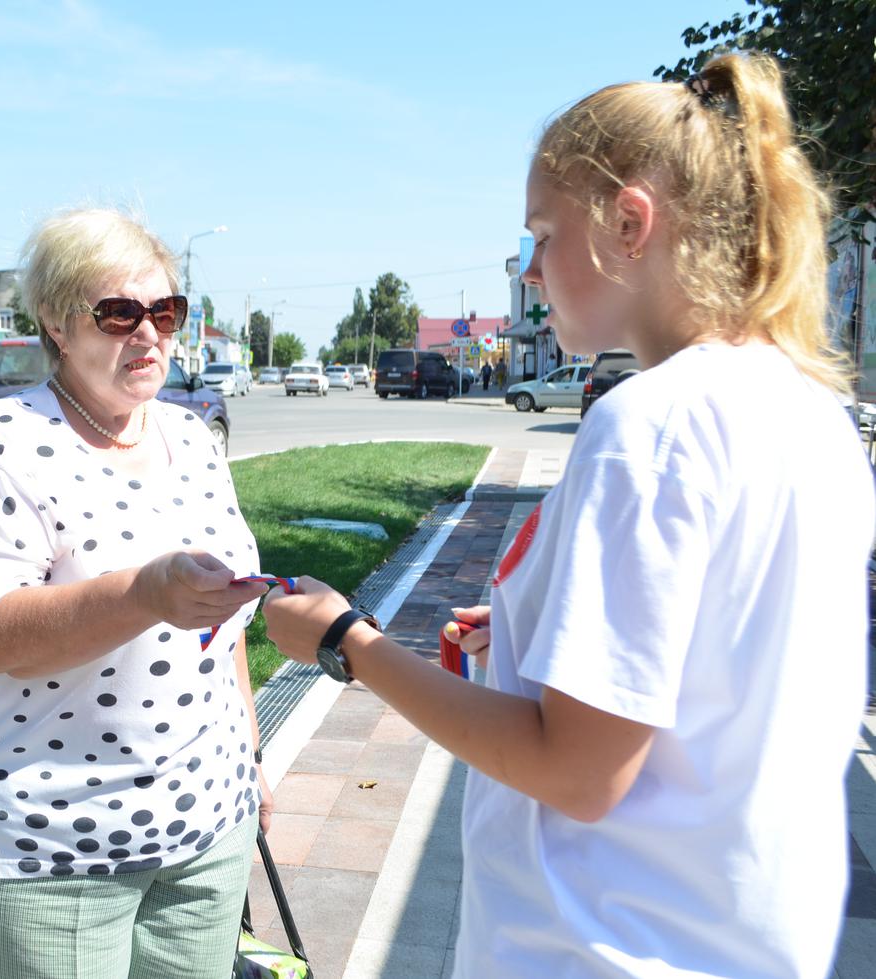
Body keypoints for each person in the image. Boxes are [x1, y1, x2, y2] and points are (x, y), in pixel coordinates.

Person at [262, 53, 873, 978]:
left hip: (599, 948)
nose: (532, 270)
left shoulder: (648, 427)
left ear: (630, 223)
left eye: (543, 236)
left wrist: (348, 640)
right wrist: (538, 627)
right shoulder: (812, 412)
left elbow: (579, 773)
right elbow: (717, 661)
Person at [0, 207, 272, 978]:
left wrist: (247, 757)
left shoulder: (191, 437)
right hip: (45, 848)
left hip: (205, 828)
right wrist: (143, 594)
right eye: (119, 312)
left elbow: (227, 624)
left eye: (166, 311)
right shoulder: (1, 440)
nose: (148, 333)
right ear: (57, 320)